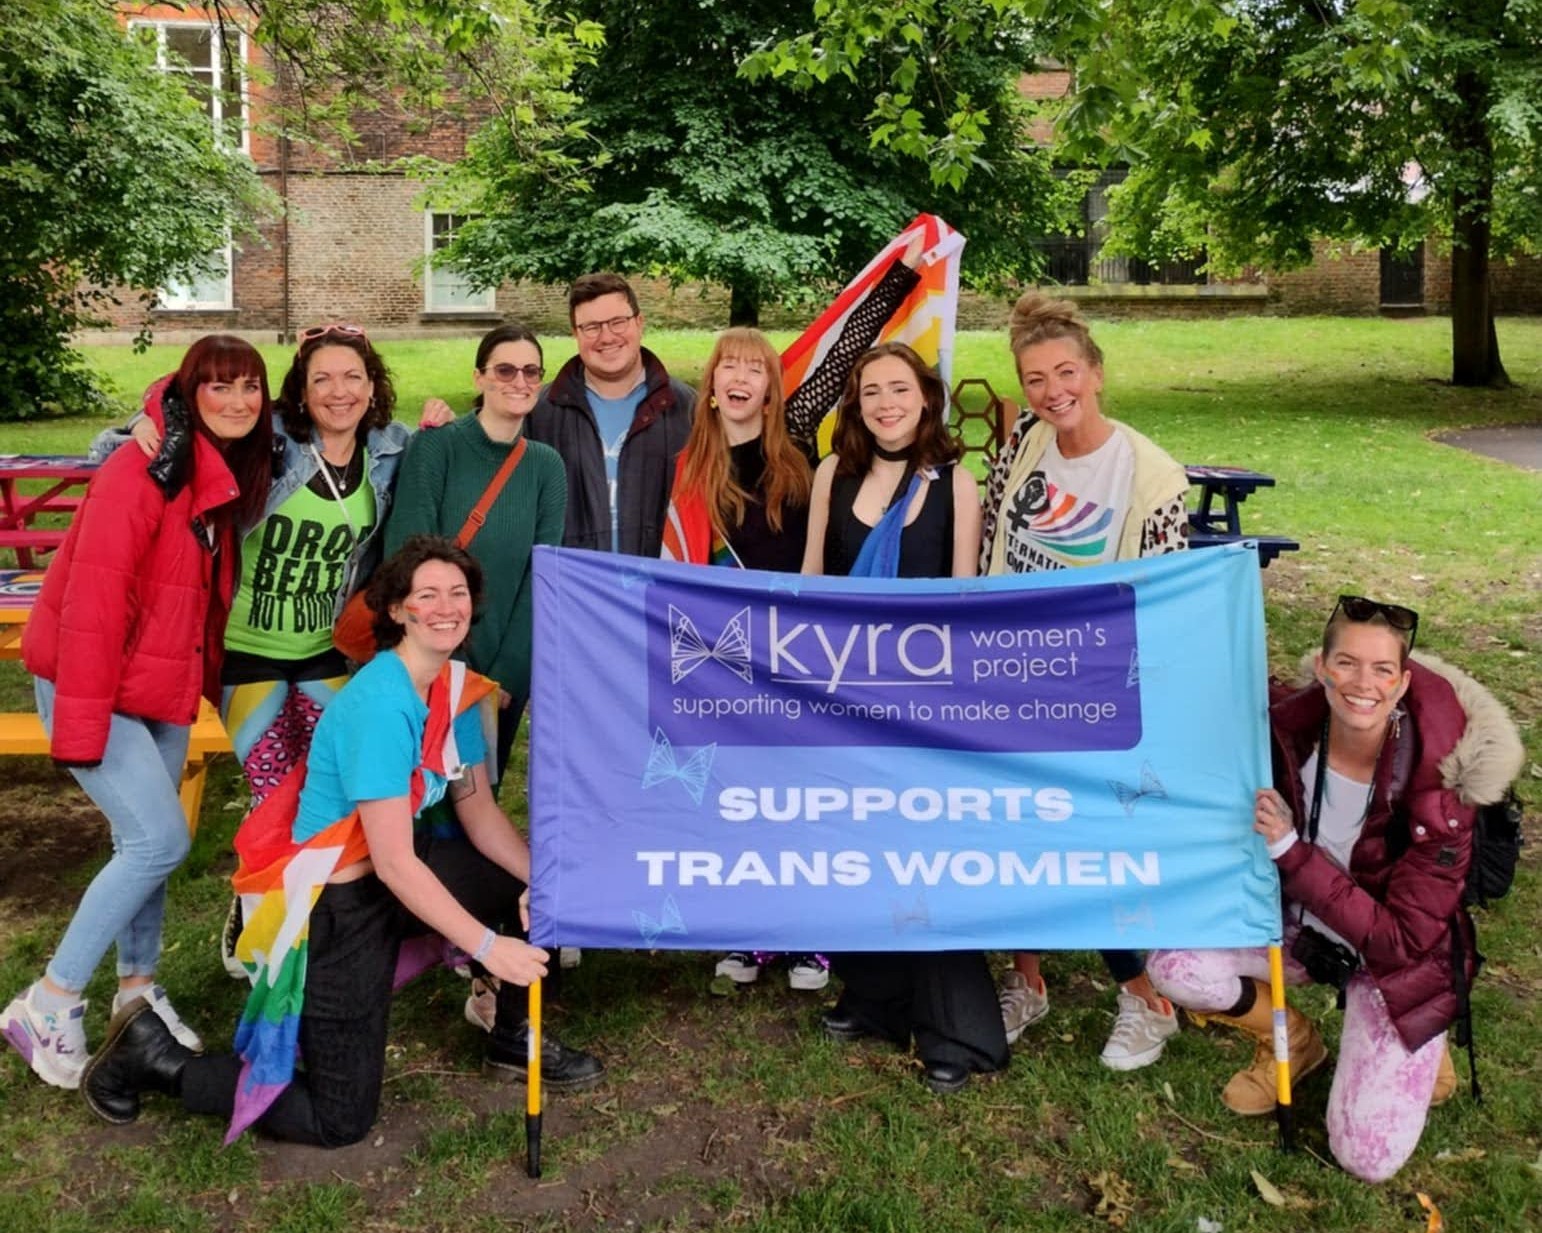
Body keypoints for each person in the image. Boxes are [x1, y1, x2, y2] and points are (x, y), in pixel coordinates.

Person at [78, 537, 605, 1145]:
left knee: (525, 887)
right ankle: (154, 1060)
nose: (445, 607)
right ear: (398, 610)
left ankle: (514, 1037)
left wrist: (544, 883)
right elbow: (393, 862)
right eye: (426, 595)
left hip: (395, 872)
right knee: (340, 1119)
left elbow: (479, 811)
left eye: (457, 594)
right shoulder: (380, 705)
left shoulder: (456, 687)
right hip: (339, 903)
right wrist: (490, 948)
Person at [1148, 596, 1522, 1182]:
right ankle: (1295, 1042)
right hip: (1303, 929)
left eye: (1381, 670)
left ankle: (1422, 1040)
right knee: (1177, 964)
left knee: (1366, 1160)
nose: (1362, 684)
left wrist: (1291, 852)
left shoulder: (1440, 789)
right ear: (1321, 667)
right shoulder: (1287, 731)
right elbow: (1195, 698)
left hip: (1395, 964)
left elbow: (1400, 940)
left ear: (1402, 683)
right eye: (1346, 663)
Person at [93, 323, 420, 977]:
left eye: (352, 376)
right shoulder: (271, 443)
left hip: (324, 649)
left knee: (331, 784)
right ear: (299, 389)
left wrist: (439, 423)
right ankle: (253, 913)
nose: (339, 390)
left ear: (371, 384)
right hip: (245, 651)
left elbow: (436, 460)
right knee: (274, 787)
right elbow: (114, 447)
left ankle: (317, 913)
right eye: (321, 377)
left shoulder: (387, 449)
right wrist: (147, 422)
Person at [2, 336, 273, 1090]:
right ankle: (48, 1003)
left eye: (250, 386)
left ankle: (136, 989)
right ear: (190, 393)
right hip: (95, 682)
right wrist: (82, 730)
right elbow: (90, 610)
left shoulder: (212, 468)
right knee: (159, 838)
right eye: (218, 387)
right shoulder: (141, 469)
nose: (238, 402)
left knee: (143, 839)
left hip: (157, 684)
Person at [980, 292, 1189, 1071]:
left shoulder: (1151, 474)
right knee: (1013, 828)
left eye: (1066, 372)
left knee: (1087, 839)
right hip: (1010, 672)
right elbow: (993, 552)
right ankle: (1026, 979)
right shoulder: (1023, 447)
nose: (1052, 390)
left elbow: (1161, 598)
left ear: (1096, 373)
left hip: (1094, 684)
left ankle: (1145, 996)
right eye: (1035, 378)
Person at [801, 343, 998, 1093]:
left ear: (926, 398)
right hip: (846, 693)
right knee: (857, 842)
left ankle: (956, 1027)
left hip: (923, 700)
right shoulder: (832, 473)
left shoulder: (956, 483)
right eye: (872, 390)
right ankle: (875, 994)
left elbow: (963, 602)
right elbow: (813, 582)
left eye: (900, 389)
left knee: (924, 853)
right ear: (857, 401)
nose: (886, 402)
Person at [386, 322, 566, 780]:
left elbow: (542, 579)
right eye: (505, 370)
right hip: (430, 660)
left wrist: (504, 674)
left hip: (502, 672)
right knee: (419, 800)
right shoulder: (436, 447)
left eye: (531, 371)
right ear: (479, 377)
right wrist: (449, 669)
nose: (519, 382)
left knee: (481, 792)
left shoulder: (546, 466)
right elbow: (408, 559)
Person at [530, 273, 694, 557]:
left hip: (659, 591)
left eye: (618, 322)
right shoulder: (540, 412)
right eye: (591, 327)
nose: (607, 337)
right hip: (574, 589)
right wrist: (444, 429)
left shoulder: (688, 408)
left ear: (639, 322)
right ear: (575, 333)